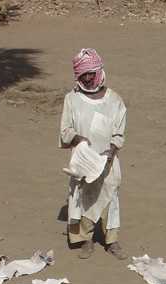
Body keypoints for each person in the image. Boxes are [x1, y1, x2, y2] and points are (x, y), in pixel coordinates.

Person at [59, 48, 128, 260]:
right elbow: (65, 130)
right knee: (83, 198)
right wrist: (78, 139)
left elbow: (119, 132)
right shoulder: (72, 99)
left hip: (108, 160)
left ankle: (111, 240)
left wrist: (110, 152)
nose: (88, 79)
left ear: (99, 72)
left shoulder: (114, 99)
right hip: (83, 161)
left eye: (91, 74)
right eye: (83, 75)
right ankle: (86, 240)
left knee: (109, 198)